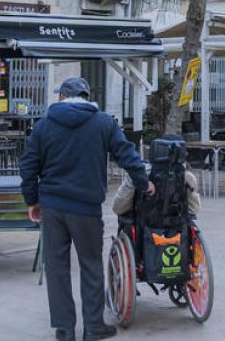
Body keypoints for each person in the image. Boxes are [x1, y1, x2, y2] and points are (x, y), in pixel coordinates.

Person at [20, 77, 151, 341]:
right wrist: (143, 182)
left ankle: (64, 329)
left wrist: (32, 200)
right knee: (91, 265)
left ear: (62, 97)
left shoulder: (43, 125)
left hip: (53, 207)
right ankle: (93, 328)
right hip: (86, 208)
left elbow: (28, 167)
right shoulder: (103, 122)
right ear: (87, 95)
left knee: (56, 267)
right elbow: (127, 154)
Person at [112, 133, 202, 218]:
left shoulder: (138, 173)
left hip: (142, 226)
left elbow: (118, 208)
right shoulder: (188, 177)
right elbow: (193, 210)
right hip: (175, 227)